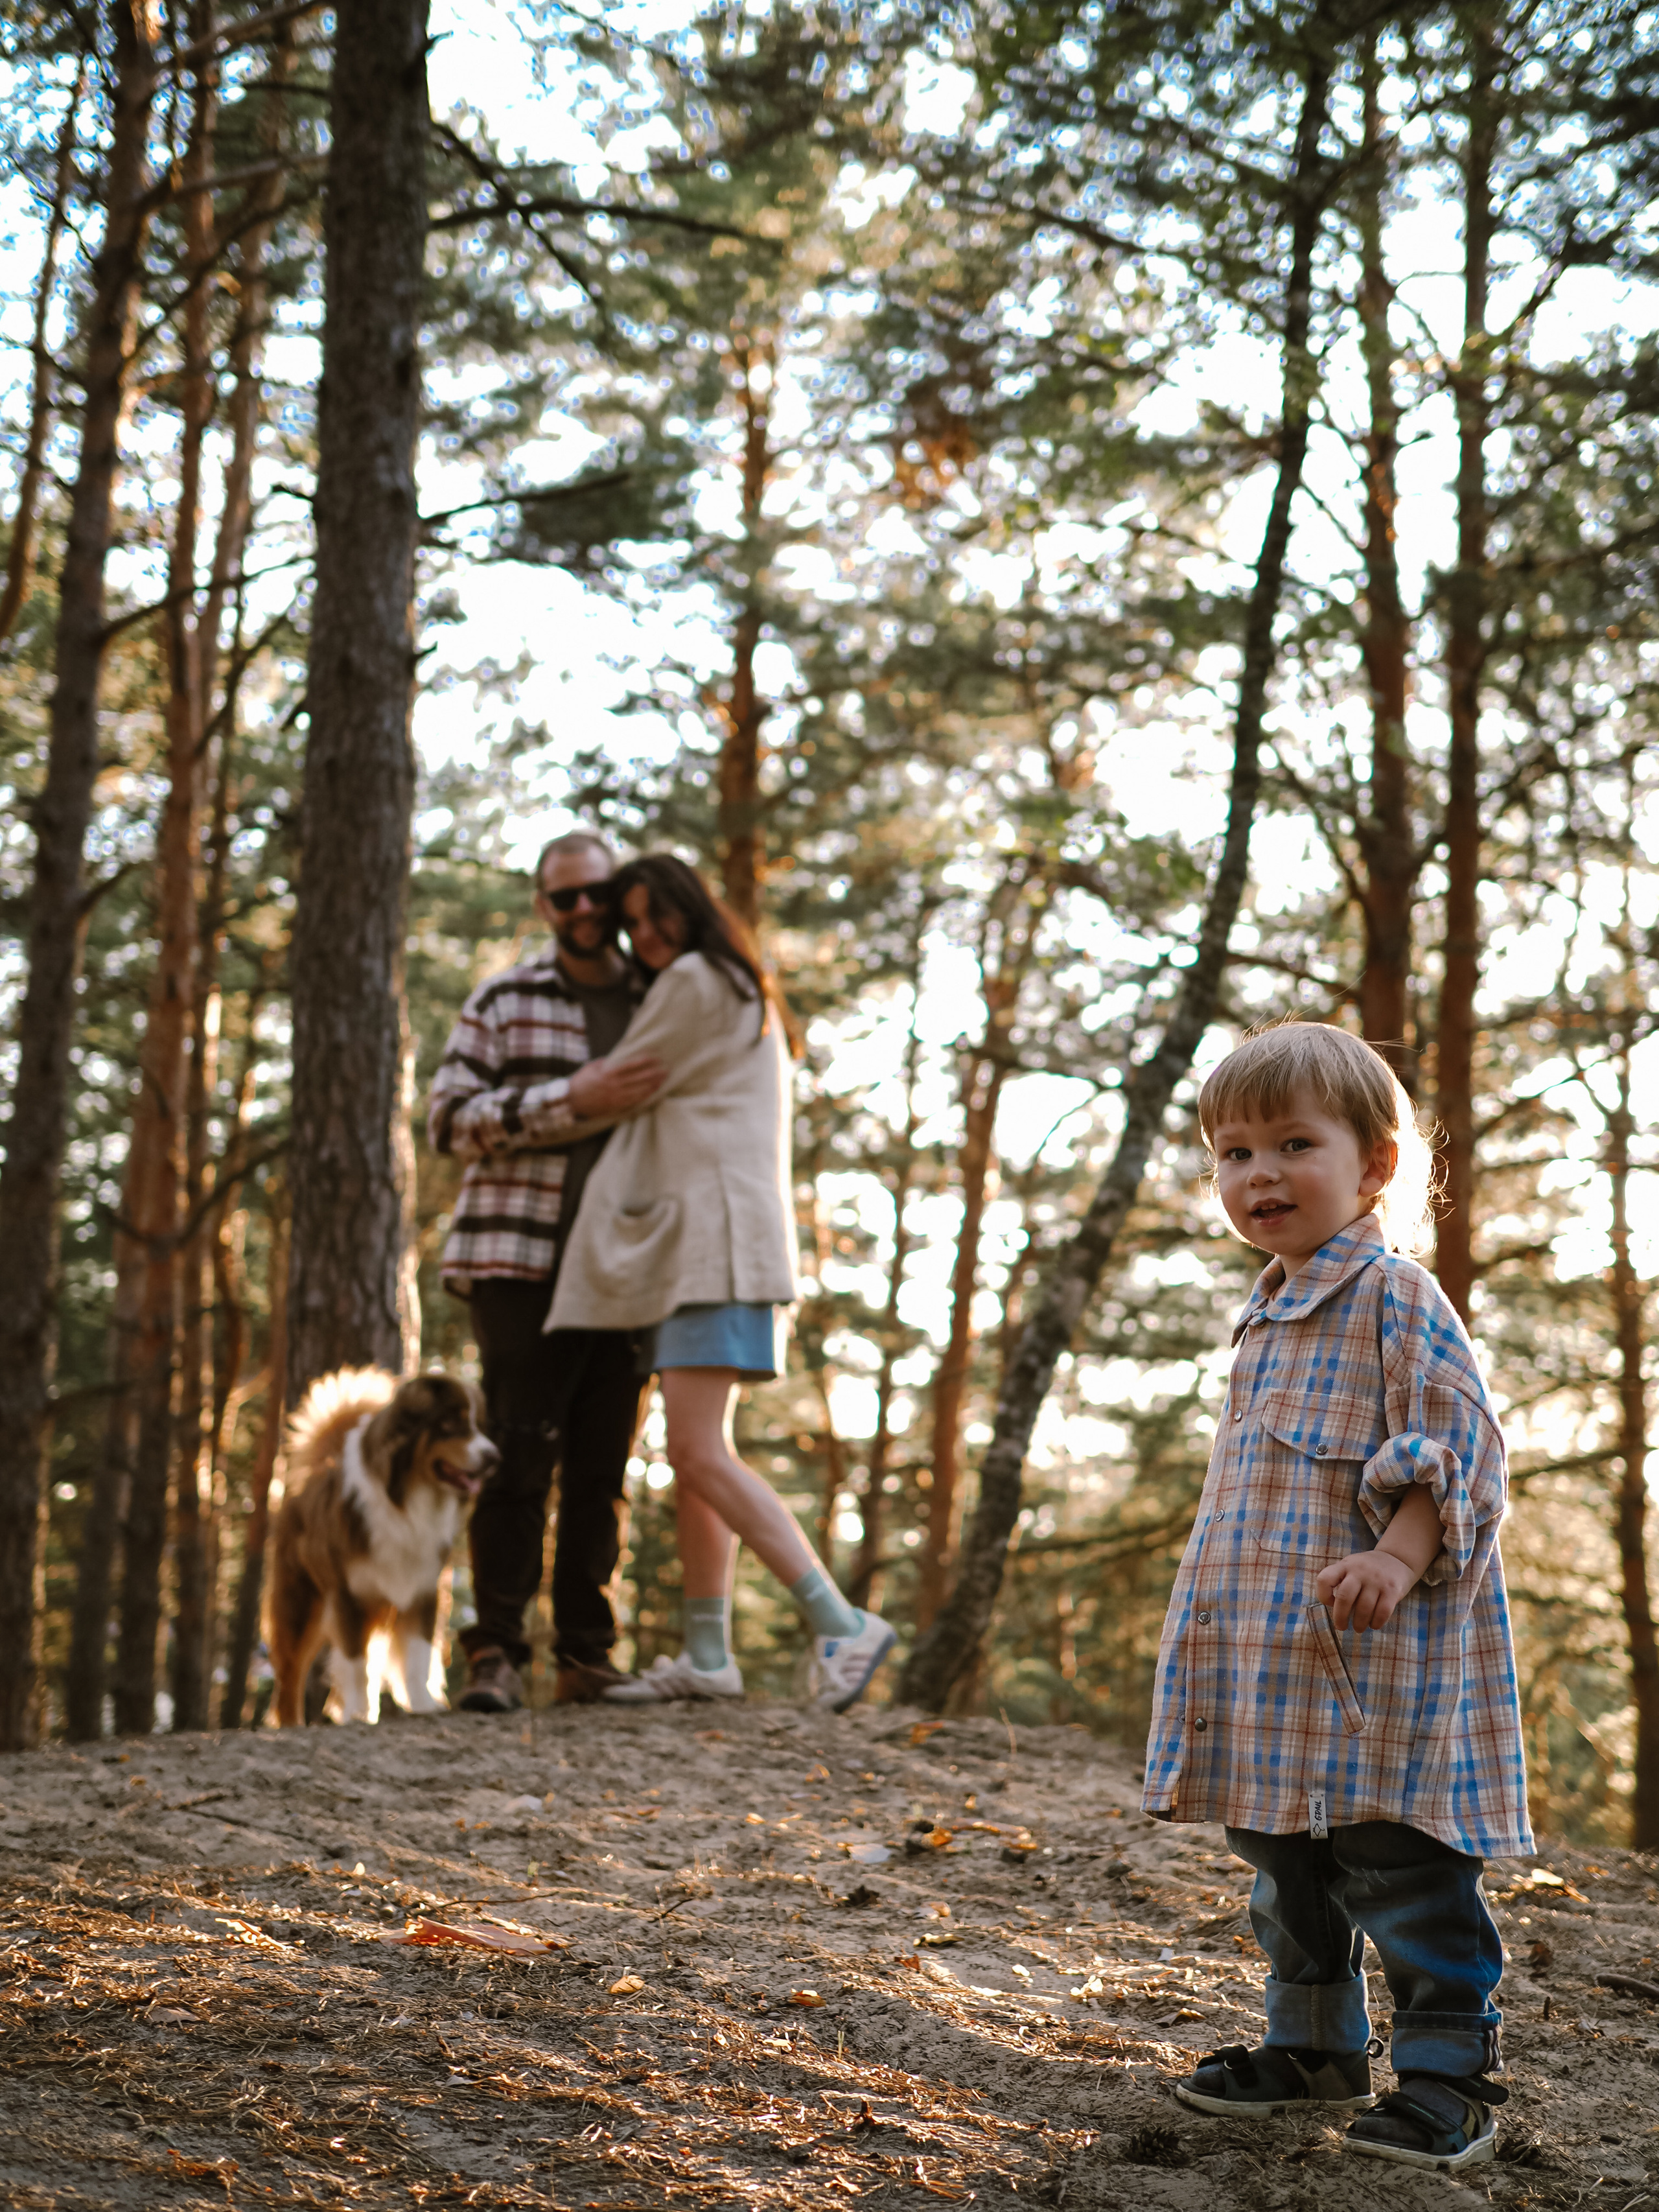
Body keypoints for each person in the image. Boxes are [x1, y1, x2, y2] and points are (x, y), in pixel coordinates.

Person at [1146, 1021, 1531, 2175]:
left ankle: (1448, 2073)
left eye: (1291, 1143)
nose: (1257, 1173)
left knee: (1400, 1866)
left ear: (1372, 1166)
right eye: (1232, 1152)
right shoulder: (1264, 1312)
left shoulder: (1395, 1298)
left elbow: (1459, 1448)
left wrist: (1400, 1557)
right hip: (1273, 1666)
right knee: (1281, 1862)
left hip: (1376, 1666)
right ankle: (1312, 2047)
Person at [545, 852, 896, 1712]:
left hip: (715, 1247)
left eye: (655, 912)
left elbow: (619, 1085)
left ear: (690, 907)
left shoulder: (700, 978)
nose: (646, 934)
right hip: (713, 1246)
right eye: (634, 923)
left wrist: (549, 1103)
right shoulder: (736, 982)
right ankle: (708, 1652)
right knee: (703, 1455)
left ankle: (840, 1621)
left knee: (696, 1450)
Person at [427, 831, 666, 1709]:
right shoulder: (503, 998)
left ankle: (586, 1656)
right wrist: (570, 1101)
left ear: (620, 896)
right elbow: (446, 1121)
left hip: (633, 1267)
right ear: (544, 906)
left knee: (605, 1468)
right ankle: (494, 1652)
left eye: (597, 892)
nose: (583, 910)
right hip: (517, 1261)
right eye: (564, 898)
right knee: (520, 1454)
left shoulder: (661, 998)